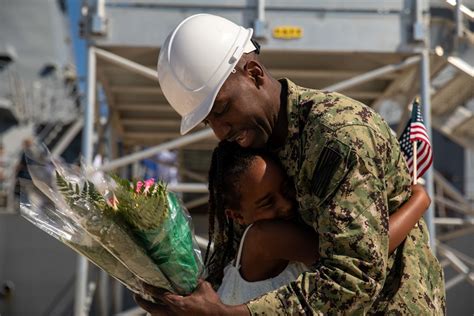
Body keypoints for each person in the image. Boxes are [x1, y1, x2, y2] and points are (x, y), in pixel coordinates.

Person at [137, 13, 445, 315]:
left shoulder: (340, 135)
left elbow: (353, 278)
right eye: (208, 121)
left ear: (254, 73)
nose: (220, 130)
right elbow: (228, 256)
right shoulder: (248, 153)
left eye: (222, 109)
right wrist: (184, 300)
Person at [206, 141, 431, 306]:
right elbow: (361, 255)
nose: (285, 204)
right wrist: (419, 200)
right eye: (267, 202)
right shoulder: (265, 237)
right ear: (237, 216)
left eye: (285, 189)